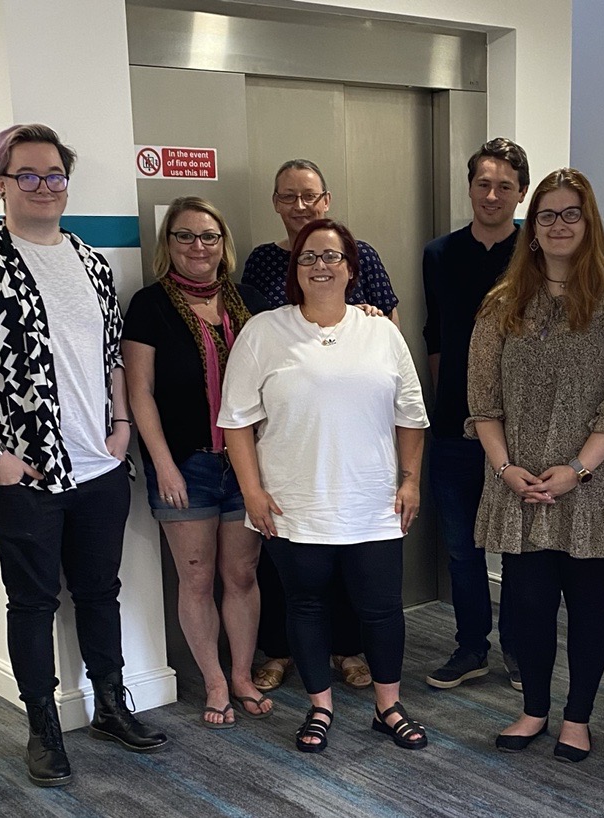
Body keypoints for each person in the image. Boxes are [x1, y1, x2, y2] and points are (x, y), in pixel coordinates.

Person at [0, 124, 167, 788]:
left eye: (55, 175)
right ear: (1, 183)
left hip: (99, 464)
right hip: (22, 473)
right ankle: (43, 728)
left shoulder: (90, 261)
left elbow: (111, 355)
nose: (43, 187)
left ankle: (112, 706)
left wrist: (120, 427)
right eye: (28, 175)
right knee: (32, 602)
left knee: (100, 591)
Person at [220, 218, 430, 754]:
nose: (320, 265)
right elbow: (236, 421)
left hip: (373, 501)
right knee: (306, 606)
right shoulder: (263, 331)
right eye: (308, 257)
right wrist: (251, 492)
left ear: (351, 268)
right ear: (295, 269)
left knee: (381, 609)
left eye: (332, 256)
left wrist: (410, 482)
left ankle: (388, 707)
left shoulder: (381, 331)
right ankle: (320, 707)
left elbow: (411, 414)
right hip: (294, 504)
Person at [468, 169, 604, 763]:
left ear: (588, 220)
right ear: (533, 226)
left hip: (592, 486)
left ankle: (577, 718)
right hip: (519, 483)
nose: (558, 225)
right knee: (528, 606)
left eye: (571, 213)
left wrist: (578, 468)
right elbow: (482, 401)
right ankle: (533, 710)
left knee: (589, 606)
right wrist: (505, 469)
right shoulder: (502, 304)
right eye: (547, 215)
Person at [242, 158, 394, 693]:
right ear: (275, 203)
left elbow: (387, 330)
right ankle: (281, 652)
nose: (300, 205)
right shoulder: (262, 262)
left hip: (350, 436)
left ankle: (348, 649)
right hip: (286, 432)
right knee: (286, 560)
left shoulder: (360, 254)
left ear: (326, 199)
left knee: (350, 551)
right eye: (288, 196)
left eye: (309, 195)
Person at [123, 196, 271, 729]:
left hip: (247, 464)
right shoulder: (149, 305)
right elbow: (140, 393)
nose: (198, 246)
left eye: (208, 236)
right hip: (187, 465)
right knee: (196, 577)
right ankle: (214, 681)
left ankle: (242, 675)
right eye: (184, 236)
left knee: (242, 574)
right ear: (169, 243)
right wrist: (163, 465)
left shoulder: (250, 301)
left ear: (222, 242)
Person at [423, 138, 528, 692]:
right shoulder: (439, 254)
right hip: (453, 428)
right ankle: (471, 647)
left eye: (504, 186)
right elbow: (435, 336)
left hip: (521, 431)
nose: (492, 195)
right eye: (483, 184)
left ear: (521, 193)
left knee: (518, 550)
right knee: (462, 549)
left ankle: (519, 649)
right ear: (469, 187)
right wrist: (452, 398)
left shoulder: (536, 253)